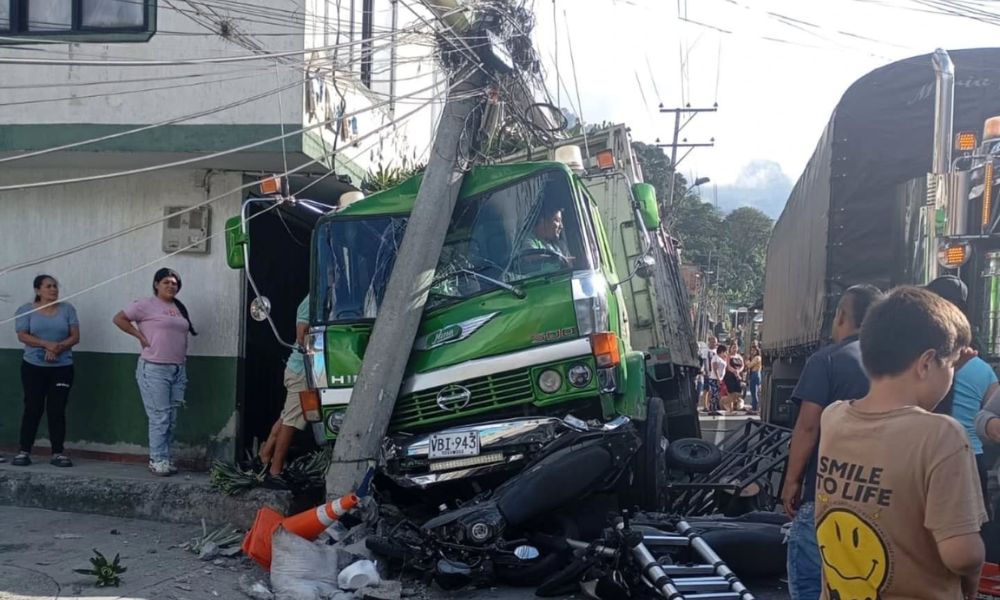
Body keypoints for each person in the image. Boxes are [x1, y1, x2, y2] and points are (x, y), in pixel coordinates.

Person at [815, 287, 986, 600]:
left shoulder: (834, 418)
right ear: (925, 363)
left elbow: (901, 425)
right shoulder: (942, 436)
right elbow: (962, 555)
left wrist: (943, 364)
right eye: (950, 367)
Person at [780, 283, 883, 600]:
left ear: (841, 316)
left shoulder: (827, 360)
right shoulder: (896, 367)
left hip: (827, 493)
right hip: (882, 497)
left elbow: (808, 427)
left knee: (812, 581)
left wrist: (792, 480)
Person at [925, 274, 998, 514]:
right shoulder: (982, 367)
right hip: (971, 458)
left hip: (930, 457)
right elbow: (987, 415)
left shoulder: (923, 361)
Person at [113, 268, 197, 477]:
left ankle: (165, 458)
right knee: (160, 417)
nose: (171, 286)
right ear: (156, 284)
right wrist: (139, 336)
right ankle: (157, 459)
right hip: (154, 368)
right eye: (167, 282)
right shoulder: (145, 304)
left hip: (178, 368)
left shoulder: (178, 308)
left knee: (172, 417)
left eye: (175, 283)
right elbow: (119, 319)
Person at [12, 275, 80, 467]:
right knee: (33, 407)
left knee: (57, 409)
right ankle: (24, 451)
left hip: (62, 367)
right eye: (49, 286)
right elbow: (23, 336)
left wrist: (58, 347)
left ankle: (57, 453)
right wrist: (46, 345)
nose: (53, 290)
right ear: (38, 290)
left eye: (55, 286)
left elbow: (75, 336)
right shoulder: (26, 310)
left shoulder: (67, 310)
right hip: (34, 367)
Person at [258, 295, 311, 480]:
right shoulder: (310, 301)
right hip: (302, 371)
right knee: (292, 421)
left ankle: (265, 454)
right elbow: (302, 336)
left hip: (303, 370)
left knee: (287, 414)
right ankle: (275, 471)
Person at [723, 342, 744, 411]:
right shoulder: (728, 356)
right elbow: (728, 366)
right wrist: (734, 371)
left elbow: (742, 366)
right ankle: (730, 408)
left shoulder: (739, 356)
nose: (735, 349)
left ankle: (729, 404)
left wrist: (738, 371)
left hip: (738, 376)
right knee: (731, 393)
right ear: (730, 348)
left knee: (738, 393)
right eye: (733, 348)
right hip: (730, 376)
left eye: (736, 347)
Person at [699, 335, 718, 411]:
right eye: (712, 342)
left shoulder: (717, 352)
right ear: (709, 342)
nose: (713, 344)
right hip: (707, 372)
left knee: (712, 390)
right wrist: (703, 370)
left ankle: (710, 405)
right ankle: (705, 406)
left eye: (715, 342)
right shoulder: (705, 351)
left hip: (714, 373)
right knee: (706, 389)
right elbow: (702, 362)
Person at [746, 342, 763, 414]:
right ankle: (754, 406)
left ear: (757, 351)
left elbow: (749, 365)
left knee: (754, 391)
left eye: (754, 350)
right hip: (754, 374)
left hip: (755, 374)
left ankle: (755, 407)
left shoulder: (757, 358)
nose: (752, 352)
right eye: (751, 350)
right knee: (753, 391)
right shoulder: (754, 358)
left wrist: (747, 362)